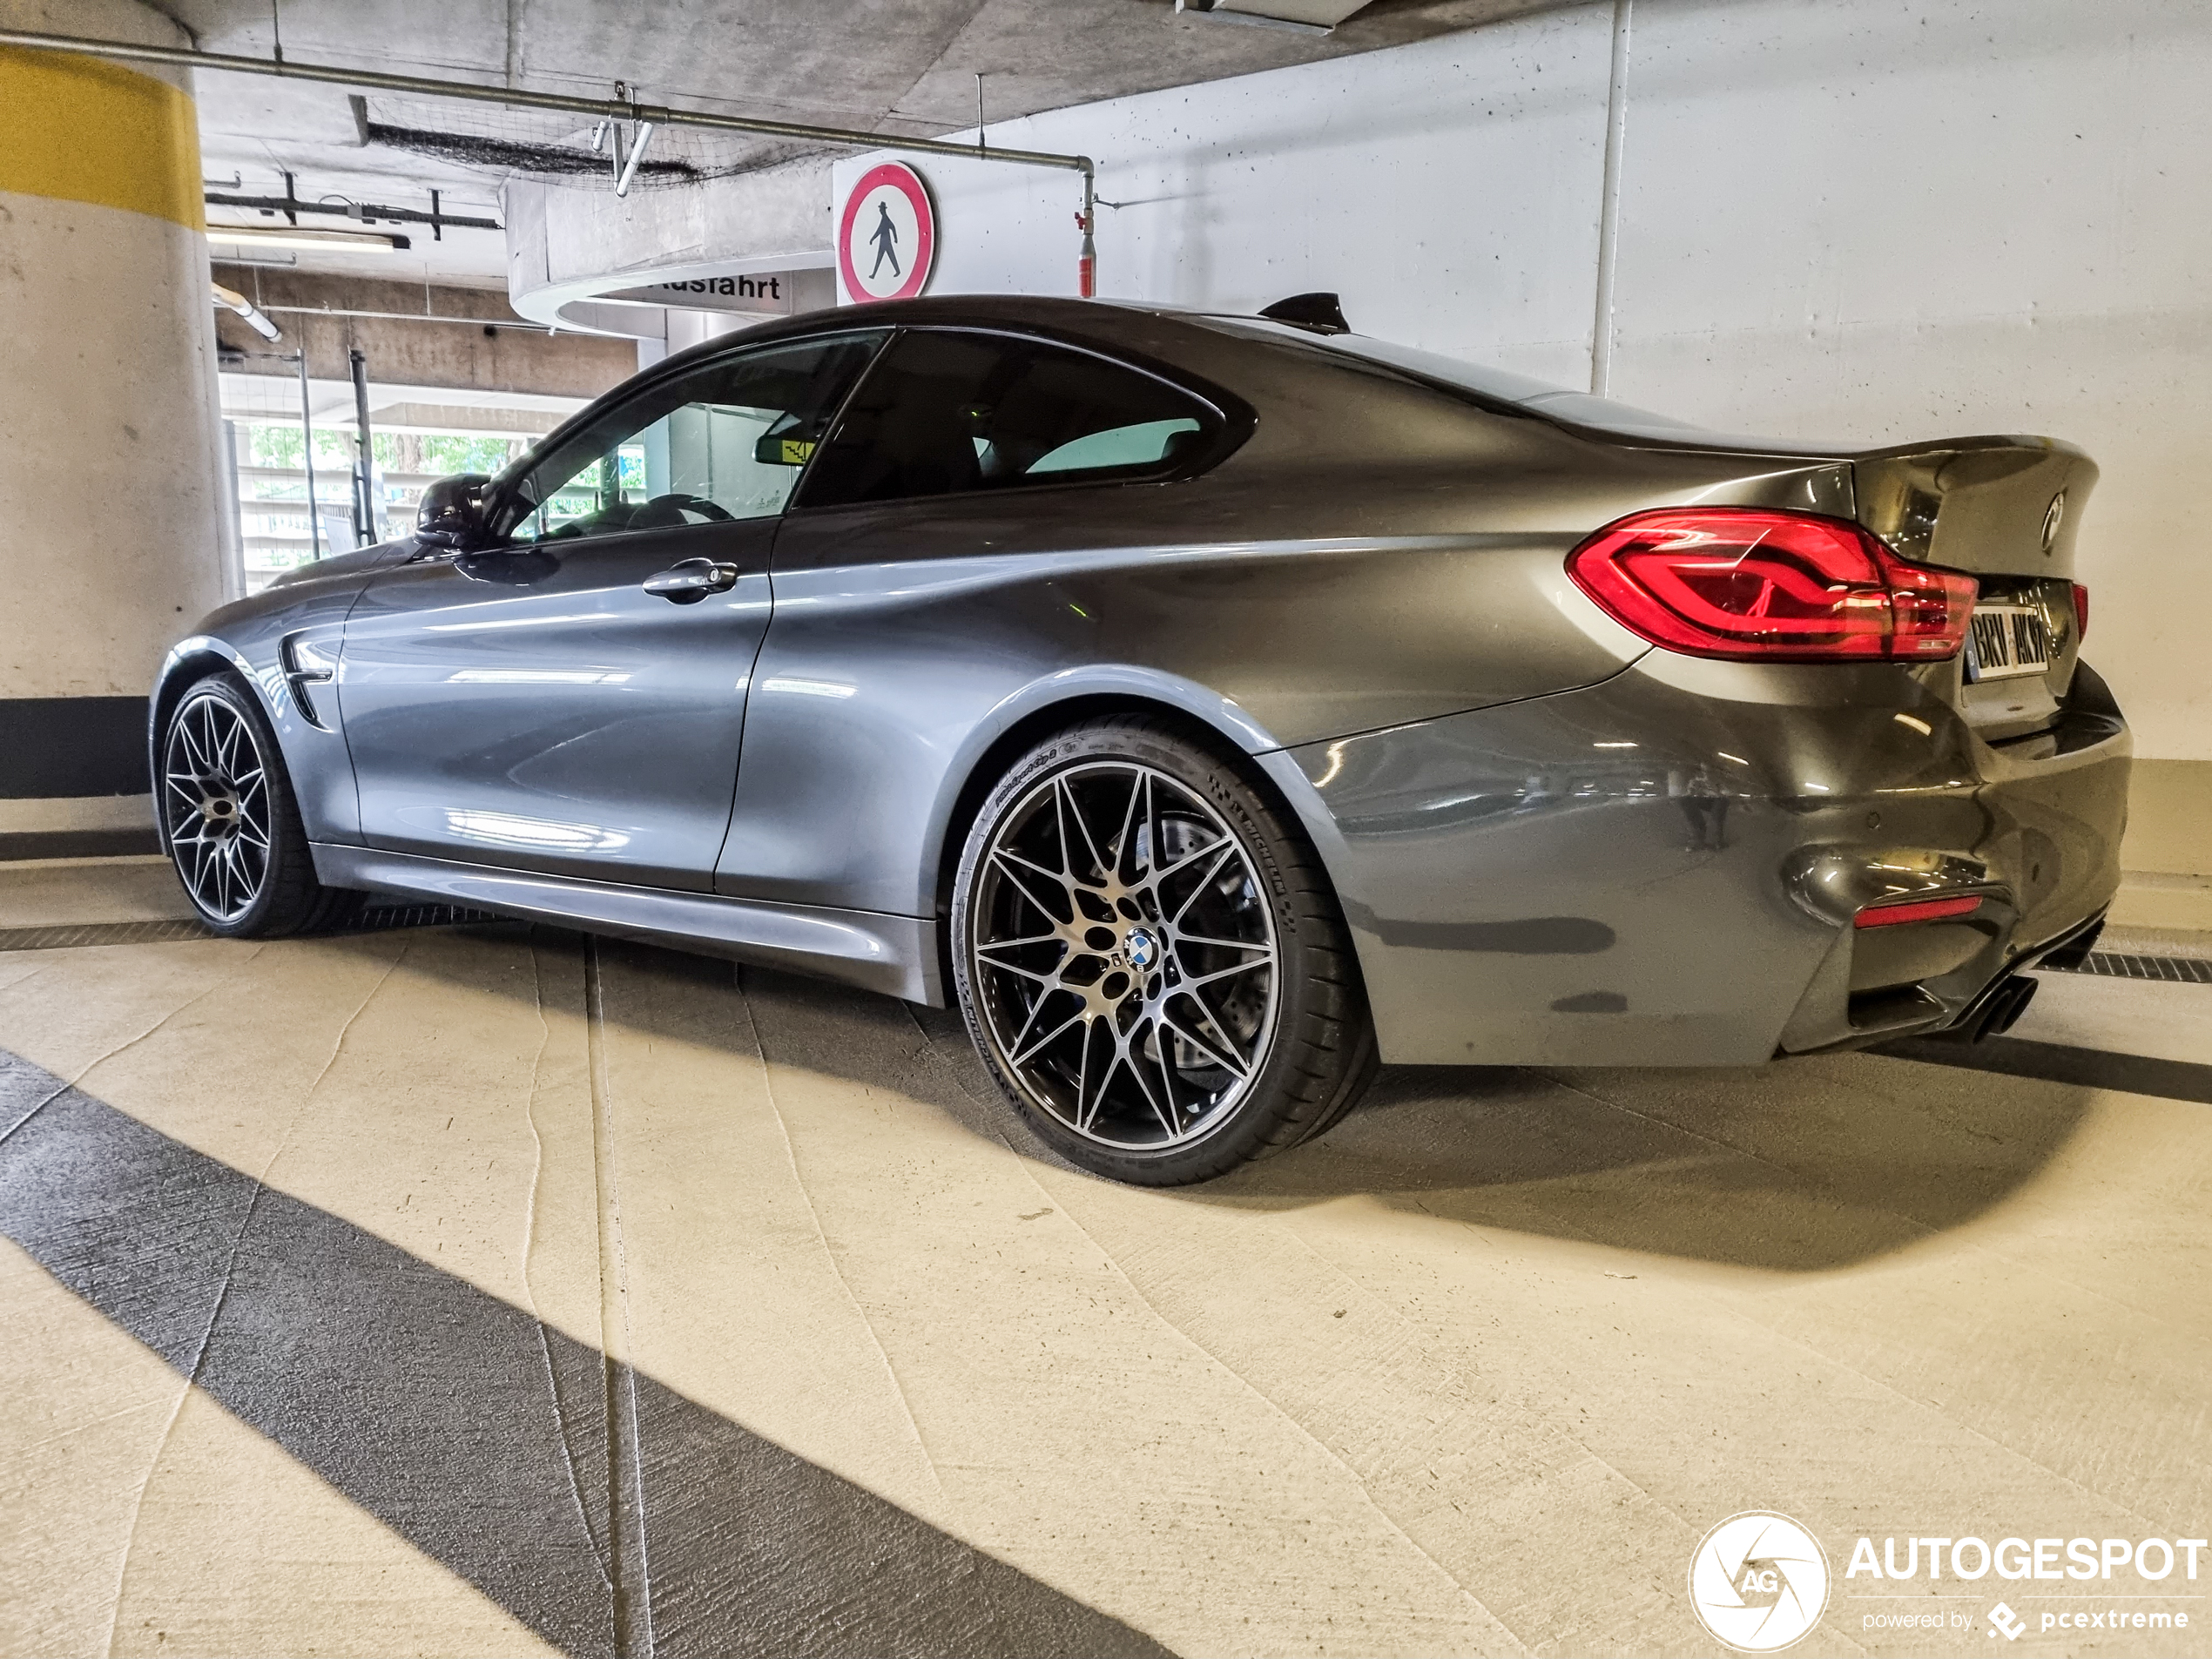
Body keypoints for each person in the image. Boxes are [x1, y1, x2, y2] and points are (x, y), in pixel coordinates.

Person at [867, 201, 900, 280]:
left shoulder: (885, 219)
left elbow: (892, 227)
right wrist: (872, 239)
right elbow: (879, 231)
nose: (880, 210)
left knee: (891, 257)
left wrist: (895, 238)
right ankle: (874, 274)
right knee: (879, 258)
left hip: (886, 242)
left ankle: (897, 271)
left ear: (883, 209)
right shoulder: (884, 218)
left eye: (880, 209)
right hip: (883, 242)